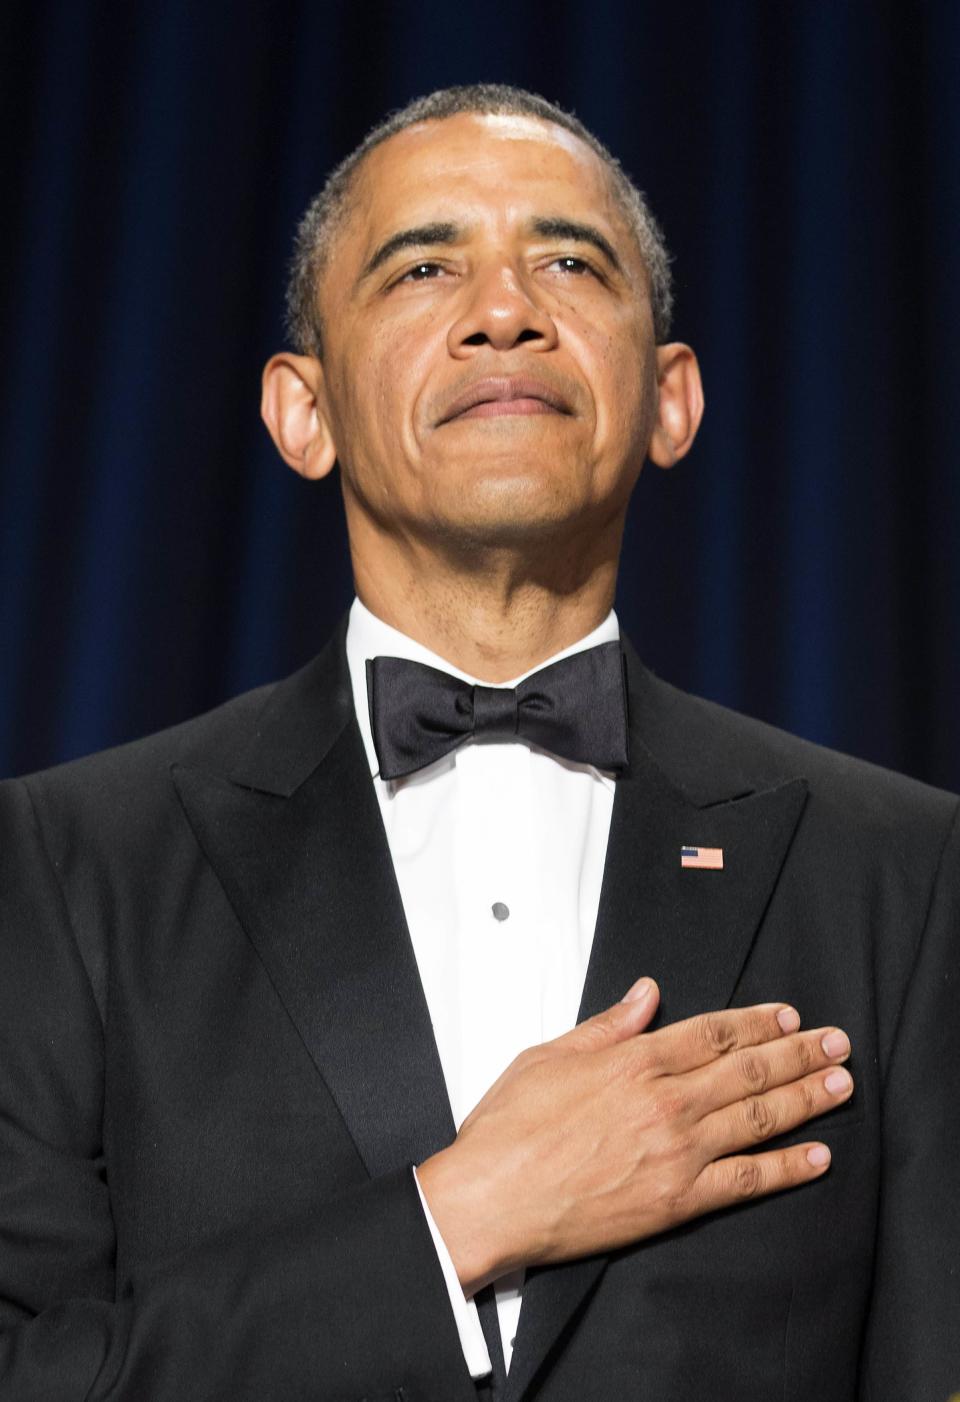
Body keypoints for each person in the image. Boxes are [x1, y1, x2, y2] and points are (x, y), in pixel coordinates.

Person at [0, 84, 957, 1402]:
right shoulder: (55, 865)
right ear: (304, 409)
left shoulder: (906, 871)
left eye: (568, 261)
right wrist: (459, 1218)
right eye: (423, 267)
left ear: (672, 400)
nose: (505, 309)